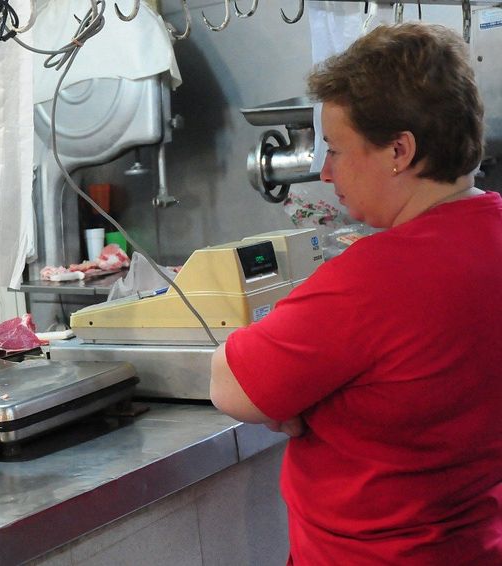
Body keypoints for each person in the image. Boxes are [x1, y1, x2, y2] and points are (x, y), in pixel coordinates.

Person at [210, 23, 502, 564]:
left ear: (399, 150)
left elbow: (232, 387)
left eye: (337, 150)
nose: (325, 172)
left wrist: (302, 400)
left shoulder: (379, 276)